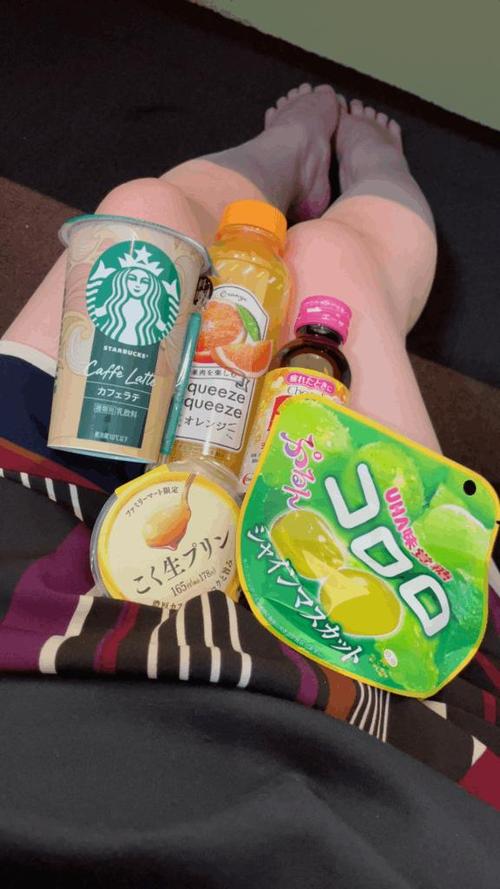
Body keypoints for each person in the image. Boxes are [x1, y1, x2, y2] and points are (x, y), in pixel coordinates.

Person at [0, 86, 499, 887]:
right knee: (333, 265)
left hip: (32, 589)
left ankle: (287, 153)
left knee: (143, 210)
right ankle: (370, 176)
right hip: (385, 688)